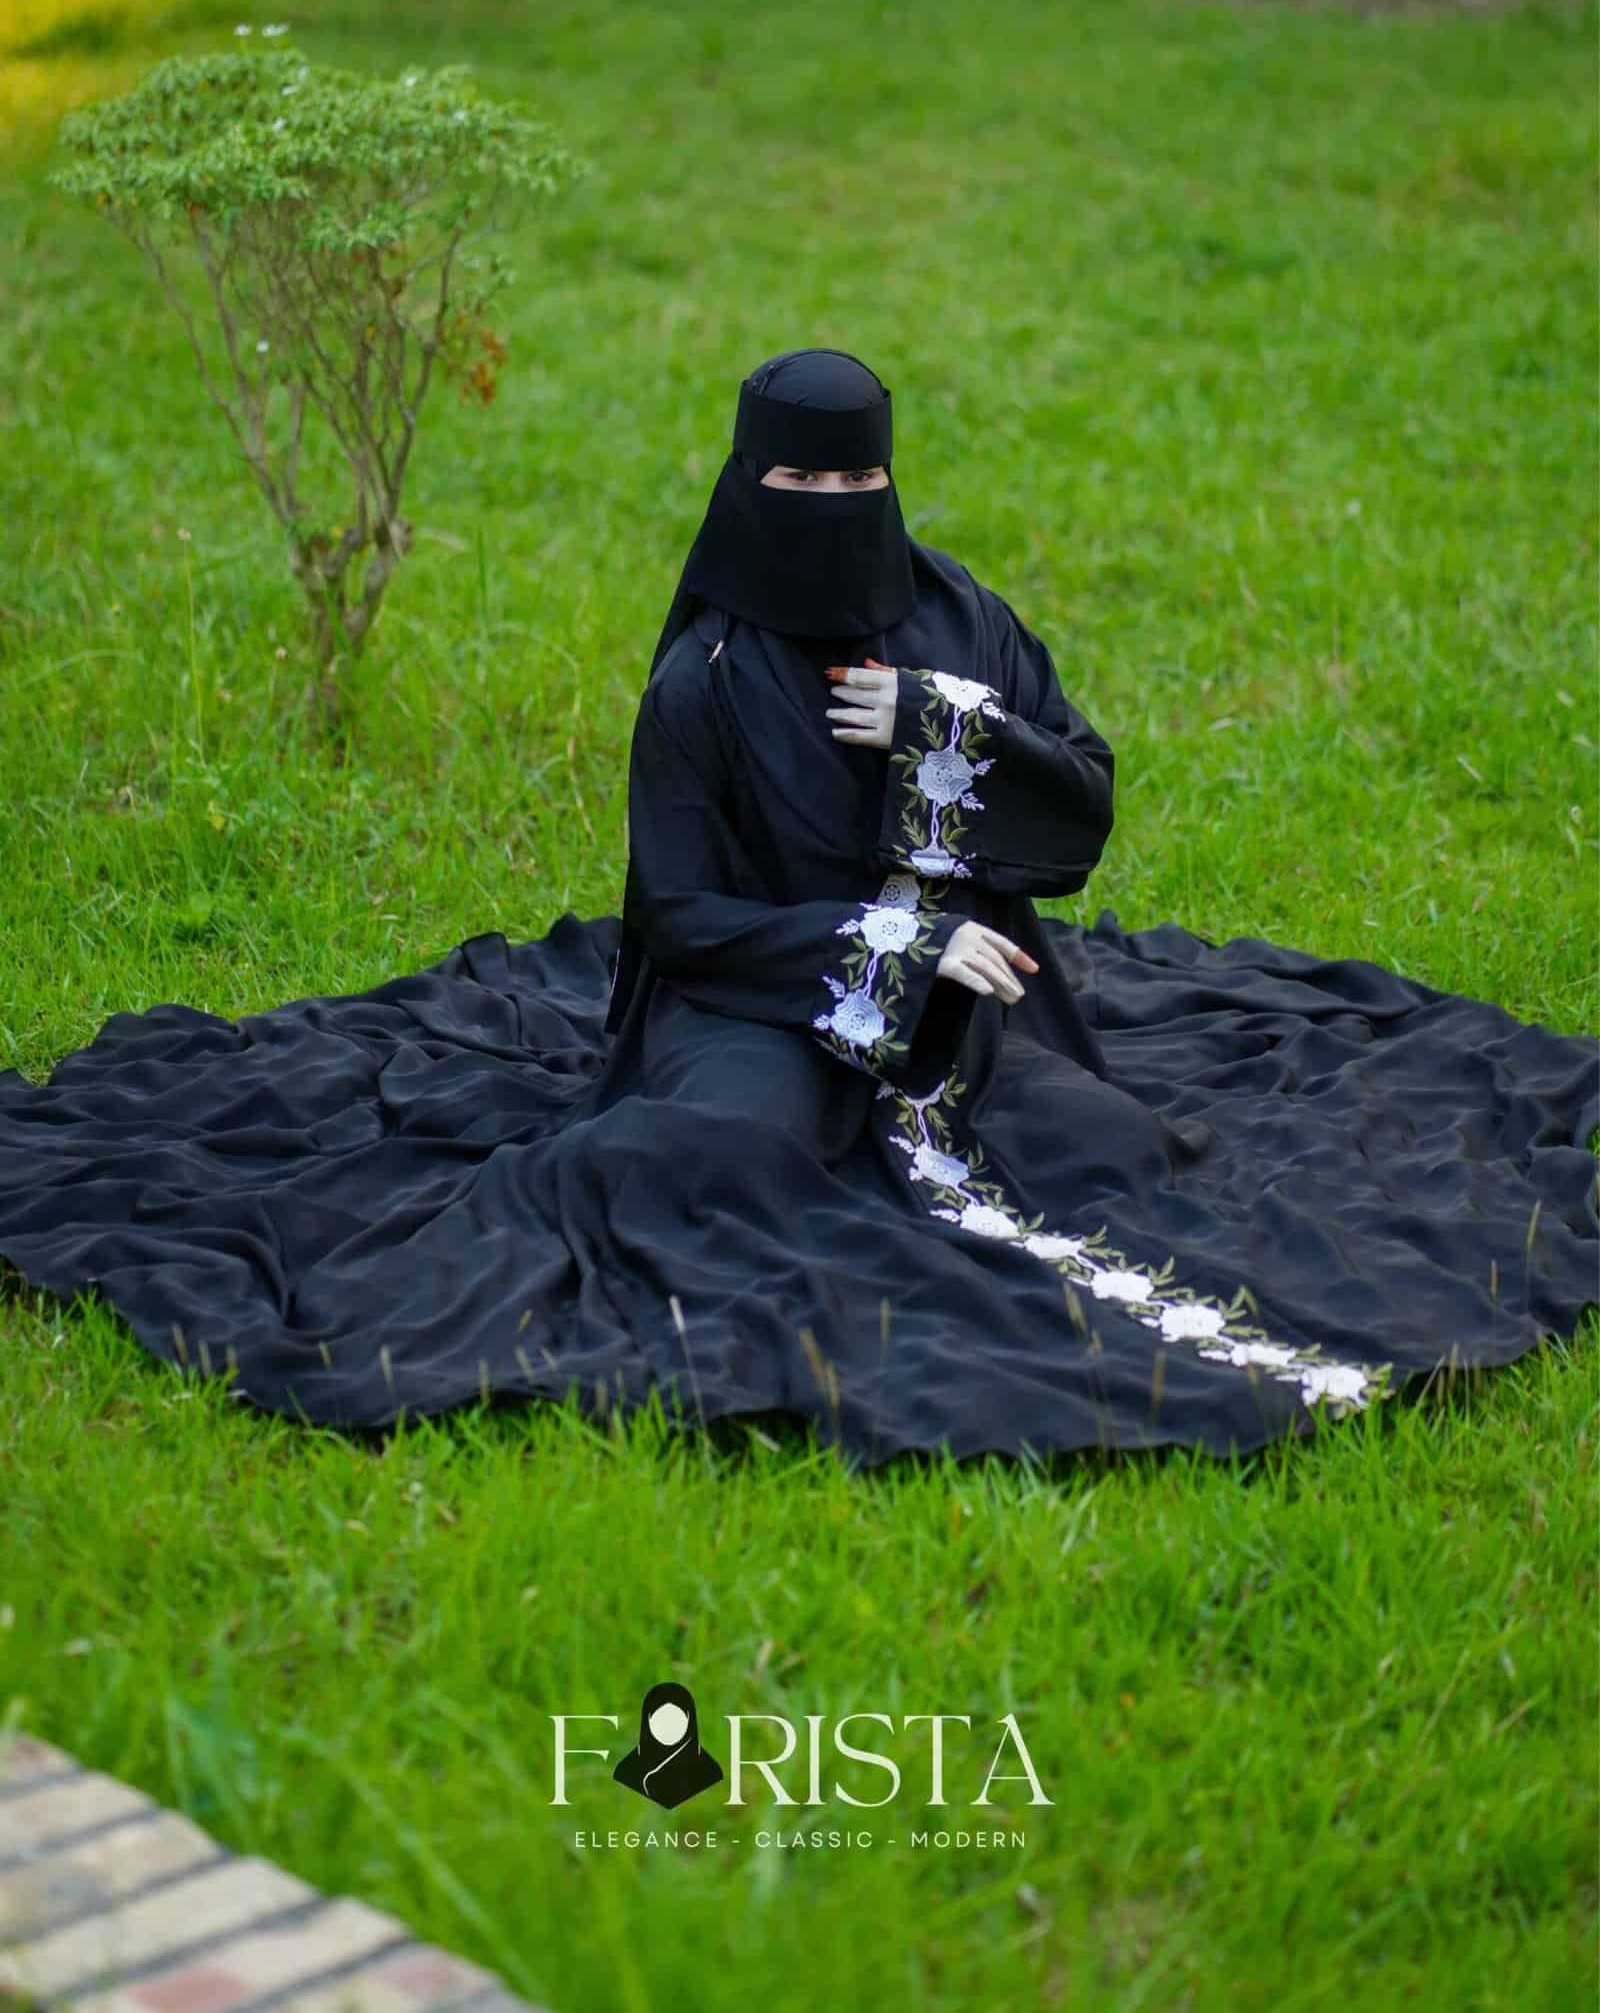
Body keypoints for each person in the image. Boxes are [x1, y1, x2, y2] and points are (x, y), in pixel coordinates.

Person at [0, 348, 1594, 1470]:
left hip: (965, 1000)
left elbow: (1085, 799)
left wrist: (938, 727)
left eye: (858, 472)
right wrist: (879, 938)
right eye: (799, 473)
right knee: (709, 1169)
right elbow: (678, 915)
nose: (832, 497)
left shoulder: (961, 616)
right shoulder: (701, 679)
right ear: (746, 478)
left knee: (1111, 1153)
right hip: (756, 999)